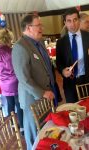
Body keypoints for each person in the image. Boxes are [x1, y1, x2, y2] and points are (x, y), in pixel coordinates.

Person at [12, 14, 55, 149]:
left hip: (46, 95)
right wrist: (42, 92)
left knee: (45, 129)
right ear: (28, 28)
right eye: (38, 25)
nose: (41, 28)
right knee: (33, 134)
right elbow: (24, 78)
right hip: (32, 98)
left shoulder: (39, 43)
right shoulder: (20, 47)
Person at [56, 8, 89, 103]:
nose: (72, 24)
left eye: (75, 20)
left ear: (79, 20)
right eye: (69, 21)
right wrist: (63, 71)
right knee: (72, 111)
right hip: (69, 83)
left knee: (88, 109)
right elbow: (59, 62)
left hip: (87, 81)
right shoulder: (61, 42)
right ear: (65, 23)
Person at [0, 28, 24, 134]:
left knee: (10, 104)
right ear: (8, 39)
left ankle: (13, 125)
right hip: (15, 81)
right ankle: (22, 127)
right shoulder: (12, 51)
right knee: (19, 104)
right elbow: (17, 67)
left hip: (3, 82)